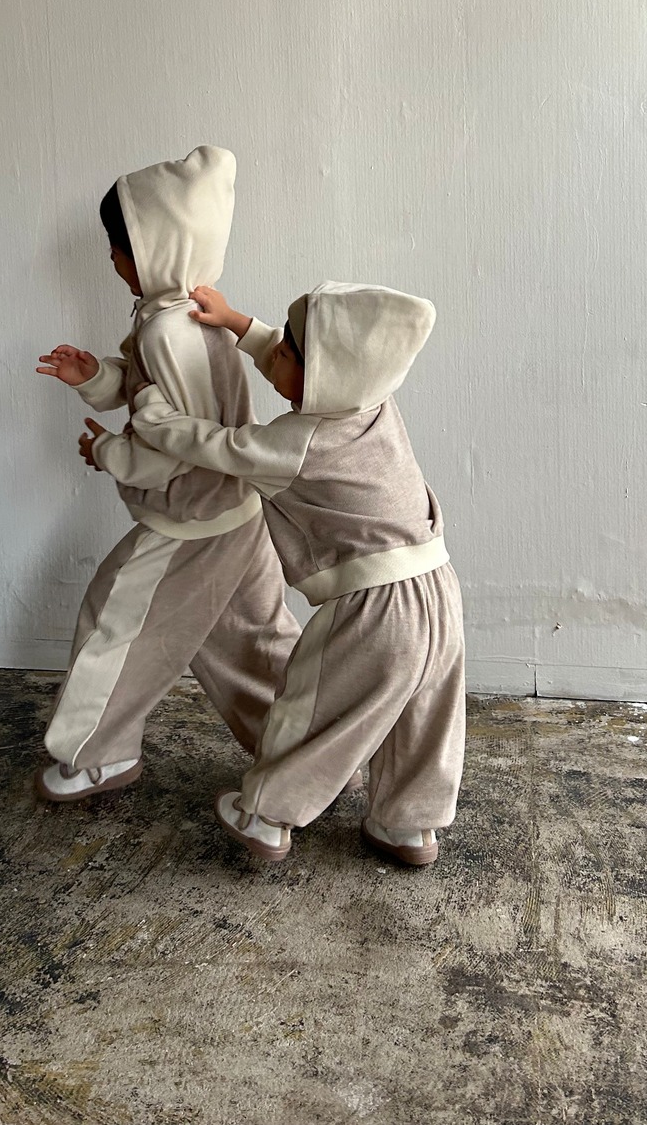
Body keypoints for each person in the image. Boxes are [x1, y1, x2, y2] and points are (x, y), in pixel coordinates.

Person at [130, 280, 465, 868]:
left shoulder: (296, 444)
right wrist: (239, 324)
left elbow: (213, 445)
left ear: (321, 377)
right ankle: (408, 825)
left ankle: (264, 813)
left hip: (375, 606)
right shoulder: (375, 407)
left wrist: (151, 413)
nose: (275, 357)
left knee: (315, 705)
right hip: (438, 589)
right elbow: (309, 370)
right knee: (426, 715)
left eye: (286, 351)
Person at [34, 147, 300, 803]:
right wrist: (95, 376)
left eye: (120, 248)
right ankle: (312, 752)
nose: (112, 261)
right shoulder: (185, 313)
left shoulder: (165, 331)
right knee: (254, 645)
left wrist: (108, 453)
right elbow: (157, 396)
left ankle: (98, 753)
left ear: (157, 247)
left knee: (114, 620)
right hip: (239, 513)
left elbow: (178, 444)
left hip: (190, 523)